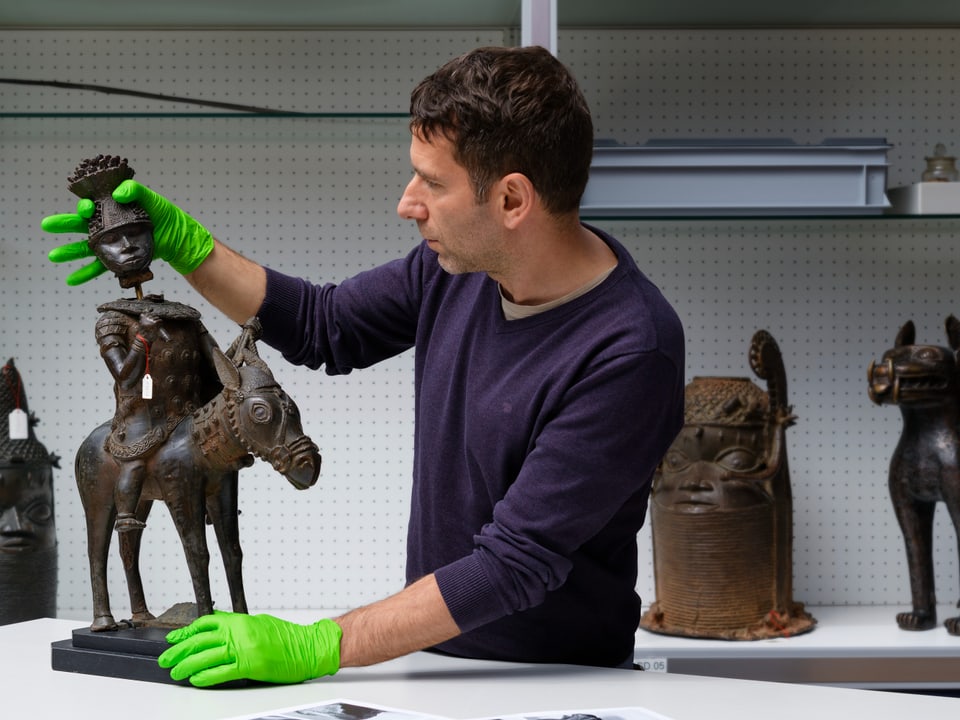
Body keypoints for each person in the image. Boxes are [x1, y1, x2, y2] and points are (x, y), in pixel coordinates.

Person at [42, 45, 685, 686]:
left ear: (513, 199)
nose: (409, 203)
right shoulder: (454, 270)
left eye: (433, 183)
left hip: (559, 683)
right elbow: (327, 327)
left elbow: (513, 564)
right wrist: (187, 246)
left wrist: (319, 644)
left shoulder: (629, 350)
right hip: (433, 663)